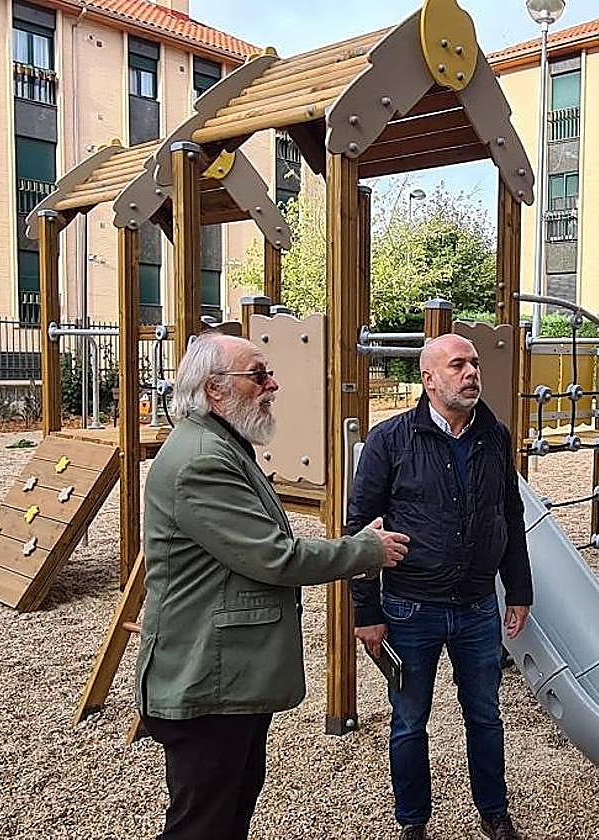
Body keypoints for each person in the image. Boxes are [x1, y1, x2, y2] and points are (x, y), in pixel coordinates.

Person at [136, 331, 410, 840]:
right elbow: (275, 557)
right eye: (258, 375)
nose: (273, 385)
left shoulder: (219, 443)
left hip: (226, 676)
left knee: (228, 812)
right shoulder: (202, 460)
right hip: (208, 677)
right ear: (215, 389)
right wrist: (365, 550)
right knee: (202, 824)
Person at [349, 333, 533, 840]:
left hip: (477, 607)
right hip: (411, 609)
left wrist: (518, 589)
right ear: (428, 379)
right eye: (458, 365)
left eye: (474, 363)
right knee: (410, 721)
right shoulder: (391, 440)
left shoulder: (494, 436)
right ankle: (413, 822)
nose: (472, 372)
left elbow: (510, 514)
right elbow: (360, 527)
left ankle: (494, 813)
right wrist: (366, 611)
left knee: (486, 716)